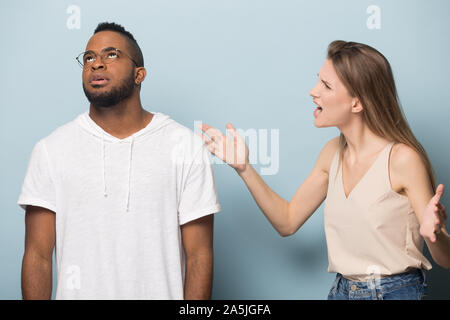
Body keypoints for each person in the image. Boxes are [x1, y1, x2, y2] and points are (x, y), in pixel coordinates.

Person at [199, 40, 449, 300]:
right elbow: (287, 221)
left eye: (326, 86)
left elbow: (445, 257)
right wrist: (244, 168)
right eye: (318, 81)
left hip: (395, 293)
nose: (312, 91)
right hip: (341, 291)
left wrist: (436, 235)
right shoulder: (332, 153)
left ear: (356, 104)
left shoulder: (403, 159)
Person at [18, 22, 221, 300]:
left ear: (140, 74)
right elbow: (37, 256)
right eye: (89, 57)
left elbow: (199, 256)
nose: (96, 64)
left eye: (111, 54)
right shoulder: (51, 150)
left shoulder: (185, 147)